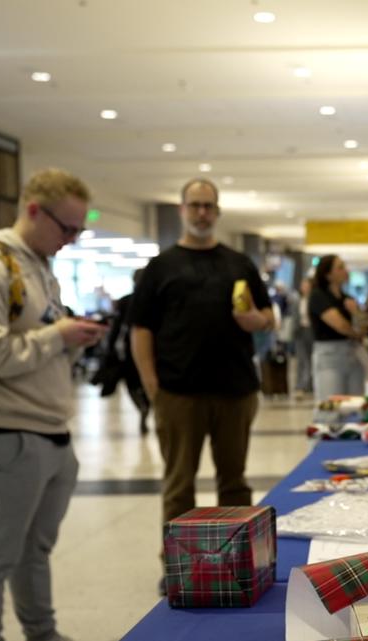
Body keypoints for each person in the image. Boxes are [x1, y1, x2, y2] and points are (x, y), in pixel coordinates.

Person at [0, 168, 107, 641]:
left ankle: (42, 633)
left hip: (51, 429)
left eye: (78, 230)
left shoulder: (39, 267)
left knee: (34, 551)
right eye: (67, 228)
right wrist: (56, 337)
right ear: (34, 210)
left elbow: (35, 341)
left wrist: (71, 338)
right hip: (6, 434)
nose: (71, 239)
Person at [129, 178, 273, 572]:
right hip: (179, 392)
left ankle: (236, 561)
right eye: (195, 205)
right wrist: (152, 385)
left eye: (208, 206)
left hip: (236, 390)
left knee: (234, 483)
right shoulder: (161, 267)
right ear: (182, 210)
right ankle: (179, 567)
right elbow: (141, 329)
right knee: (179, 485)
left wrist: (256, 319)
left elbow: (269, 316)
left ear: (218, 211)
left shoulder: (239, 263)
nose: (202, 213)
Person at [95, 268, 151, 434]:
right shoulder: (153, 300)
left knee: (132, 383)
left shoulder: (127, 301)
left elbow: (117, 328)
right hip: (148, 349)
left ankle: (142, 406)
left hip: (129, 350)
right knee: (144, 381)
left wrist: (110, 347)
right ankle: (145, 406)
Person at [308, 255, 365, 401]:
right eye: (340, 268)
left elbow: (364, 326)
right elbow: (340, 325)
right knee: (332, 403)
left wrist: (356, 314)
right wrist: (356, 332)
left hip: (352, 353)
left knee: (355, 403)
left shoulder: (347, 298)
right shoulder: (318, 295)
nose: (346, 271)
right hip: (329, 356)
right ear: (328, 274)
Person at [293, 277, 314, 396]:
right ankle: (300, 384)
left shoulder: (313, 300)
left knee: (311, 359)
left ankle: (310, 384)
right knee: (301, 359)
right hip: (300, 332)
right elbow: (294, 316)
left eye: (307, 285)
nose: (305, 288)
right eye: (303, 285)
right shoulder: (297, 300)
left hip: (311, 331)